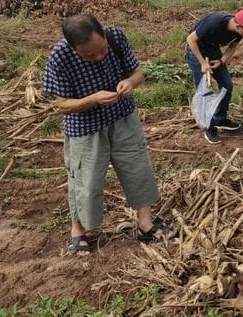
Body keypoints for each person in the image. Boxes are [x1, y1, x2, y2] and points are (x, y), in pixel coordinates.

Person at [43, 14, 173, 256]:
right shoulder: (59, 56)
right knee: (85, 179)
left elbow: (138, 73)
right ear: (73, 48)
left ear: (103, 33)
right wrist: (93, 99)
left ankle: (145, 224)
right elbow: (62, 105)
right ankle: (78, 231)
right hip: (85, 126)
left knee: (137, 167)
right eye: (89, 55)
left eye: (101, 50)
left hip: (123, 116)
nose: (99, 57)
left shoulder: (116, 36)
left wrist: (130, 83)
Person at [186, 8, 243, 144]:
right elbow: (190, 39)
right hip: (196, 51)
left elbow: (232, 47)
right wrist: (203, 63)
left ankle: (220, 119)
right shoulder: (214, 23)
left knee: (227, 85)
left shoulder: (239, 32)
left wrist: (222, 61)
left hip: (213, 51)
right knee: (204, 90)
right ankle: (208, 126)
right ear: (238, 26)